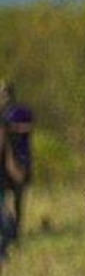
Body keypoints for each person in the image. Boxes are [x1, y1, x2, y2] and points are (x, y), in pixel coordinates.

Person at [0, 82, 33, 237]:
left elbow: (29, 127)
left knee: (19, 195)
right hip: (5, 159)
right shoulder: (2, 113)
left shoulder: (21, 111)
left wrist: (11, 128)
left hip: (20, 156)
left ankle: (17, 227)